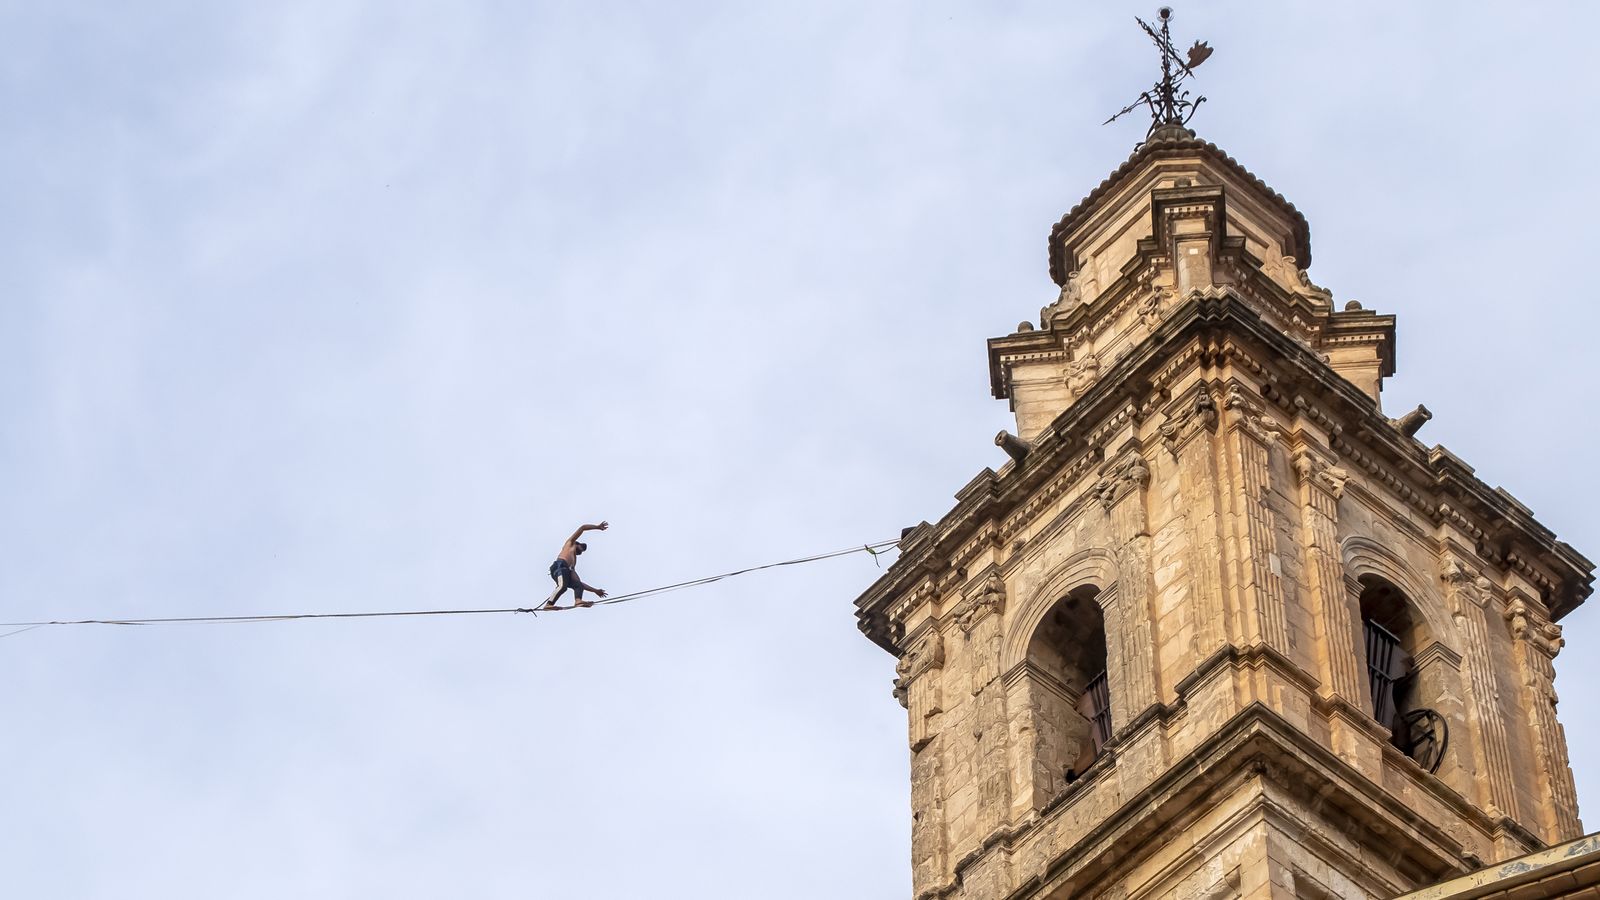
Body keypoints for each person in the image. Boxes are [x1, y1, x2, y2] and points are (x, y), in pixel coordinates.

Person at [540, 521, 609, 609]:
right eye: (582, 547)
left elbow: (579, 583)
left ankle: (578, 601)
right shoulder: (570, 543)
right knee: (562, 587)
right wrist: (597, 527)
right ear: (577, 544)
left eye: (583, 551)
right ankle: (549, 604)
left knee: (578, 585)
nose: (582, 551)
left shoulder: (573, 563)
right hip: (559, 566)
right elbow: (583, 527)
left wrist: (595, 591)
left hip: (566, 571)